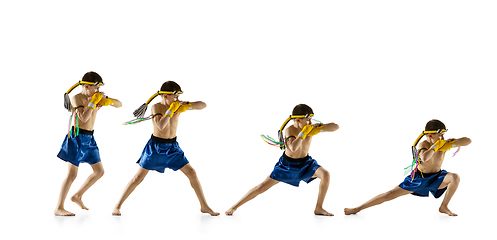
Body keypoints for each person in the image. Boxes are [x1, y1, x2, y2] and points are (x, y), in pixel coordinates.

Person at [112, 81, 219, 216]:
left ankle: (204, 206)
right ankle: (117, 205)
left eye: (178, 97)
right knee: (137, 178)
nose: (177, 99)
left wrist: (187, 106)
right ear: (165, 96)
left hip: (173, 148)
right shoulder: (156, 107)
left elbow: (203, 105)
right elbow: (161, 125)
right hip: (155, 148)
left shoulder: (178, 106)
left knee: (192, 172)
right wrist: (170, 110)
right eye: (175, 97)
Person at [225, 104, 339, 216]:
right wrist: (303, 133)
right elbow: (293, 148)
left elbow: (335, 127)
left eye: (310, 120)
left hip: (306, 163)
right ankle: (234, 207)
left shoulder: (309, 127)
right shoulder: (290, 130)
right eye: (307, 120)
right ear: (298, 120)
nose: (309, 122)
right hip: (287, 165)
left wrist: (319, 128)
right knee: (261, 187)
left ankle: (319, 208)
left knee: (326, 174)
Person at [344, 119, 471, 216]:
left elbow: (468, 141)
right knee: (389, 194)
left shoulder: (443, 144)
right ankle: (357, 209)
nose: (442, 138)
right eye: (440, 135)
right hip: (418, 178)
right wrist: (436, 146)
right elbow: (425, 158)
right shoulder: (424, 144)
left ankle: (444, 206)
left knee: (454, 177)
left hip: (437, 177)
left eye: (443, 135)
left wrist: (452, 141)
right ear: (430, 136)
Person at [55, 71, 122, 216]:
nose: (97, 91)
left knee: (99, 172)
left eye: (99, 89)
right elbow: (84, 118)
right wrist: (93, 103)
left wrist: (107, 100)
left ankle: (77, 196)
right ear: (86, 86)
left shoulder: (95, 97)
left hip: (90, 139)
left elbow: (119, 104)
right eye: (95, 88)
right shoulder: (76, 98)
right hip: (76, 137)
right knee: (72, 175)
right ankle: (59, 207)